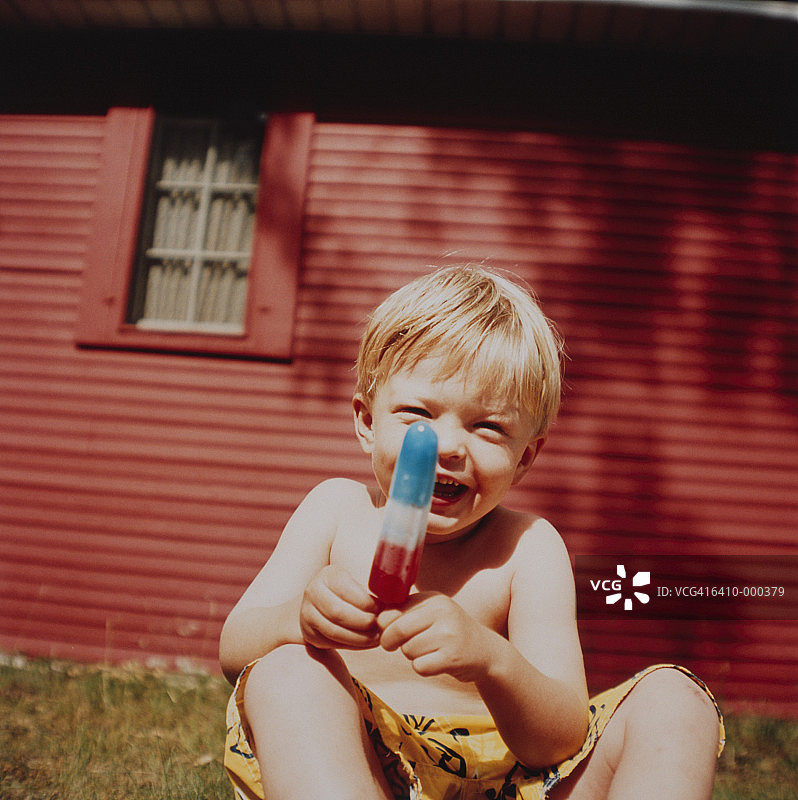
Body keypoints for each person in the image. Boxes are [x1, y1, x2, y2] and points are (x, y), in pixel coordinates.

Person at [219, 265, 724, 800]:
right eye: (417, 413)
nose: (448, 446)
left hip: (511, 784)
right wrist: (298, 620)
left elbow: (558, 741)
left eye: (489, 427)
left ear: (525, 456)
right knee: (286, 671)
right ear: (367, 422)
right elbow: (234, 651)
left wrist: (492, 658)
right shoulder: (335, 510)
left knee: (674, 700)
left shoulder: (528, 549)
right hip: (357, 770)